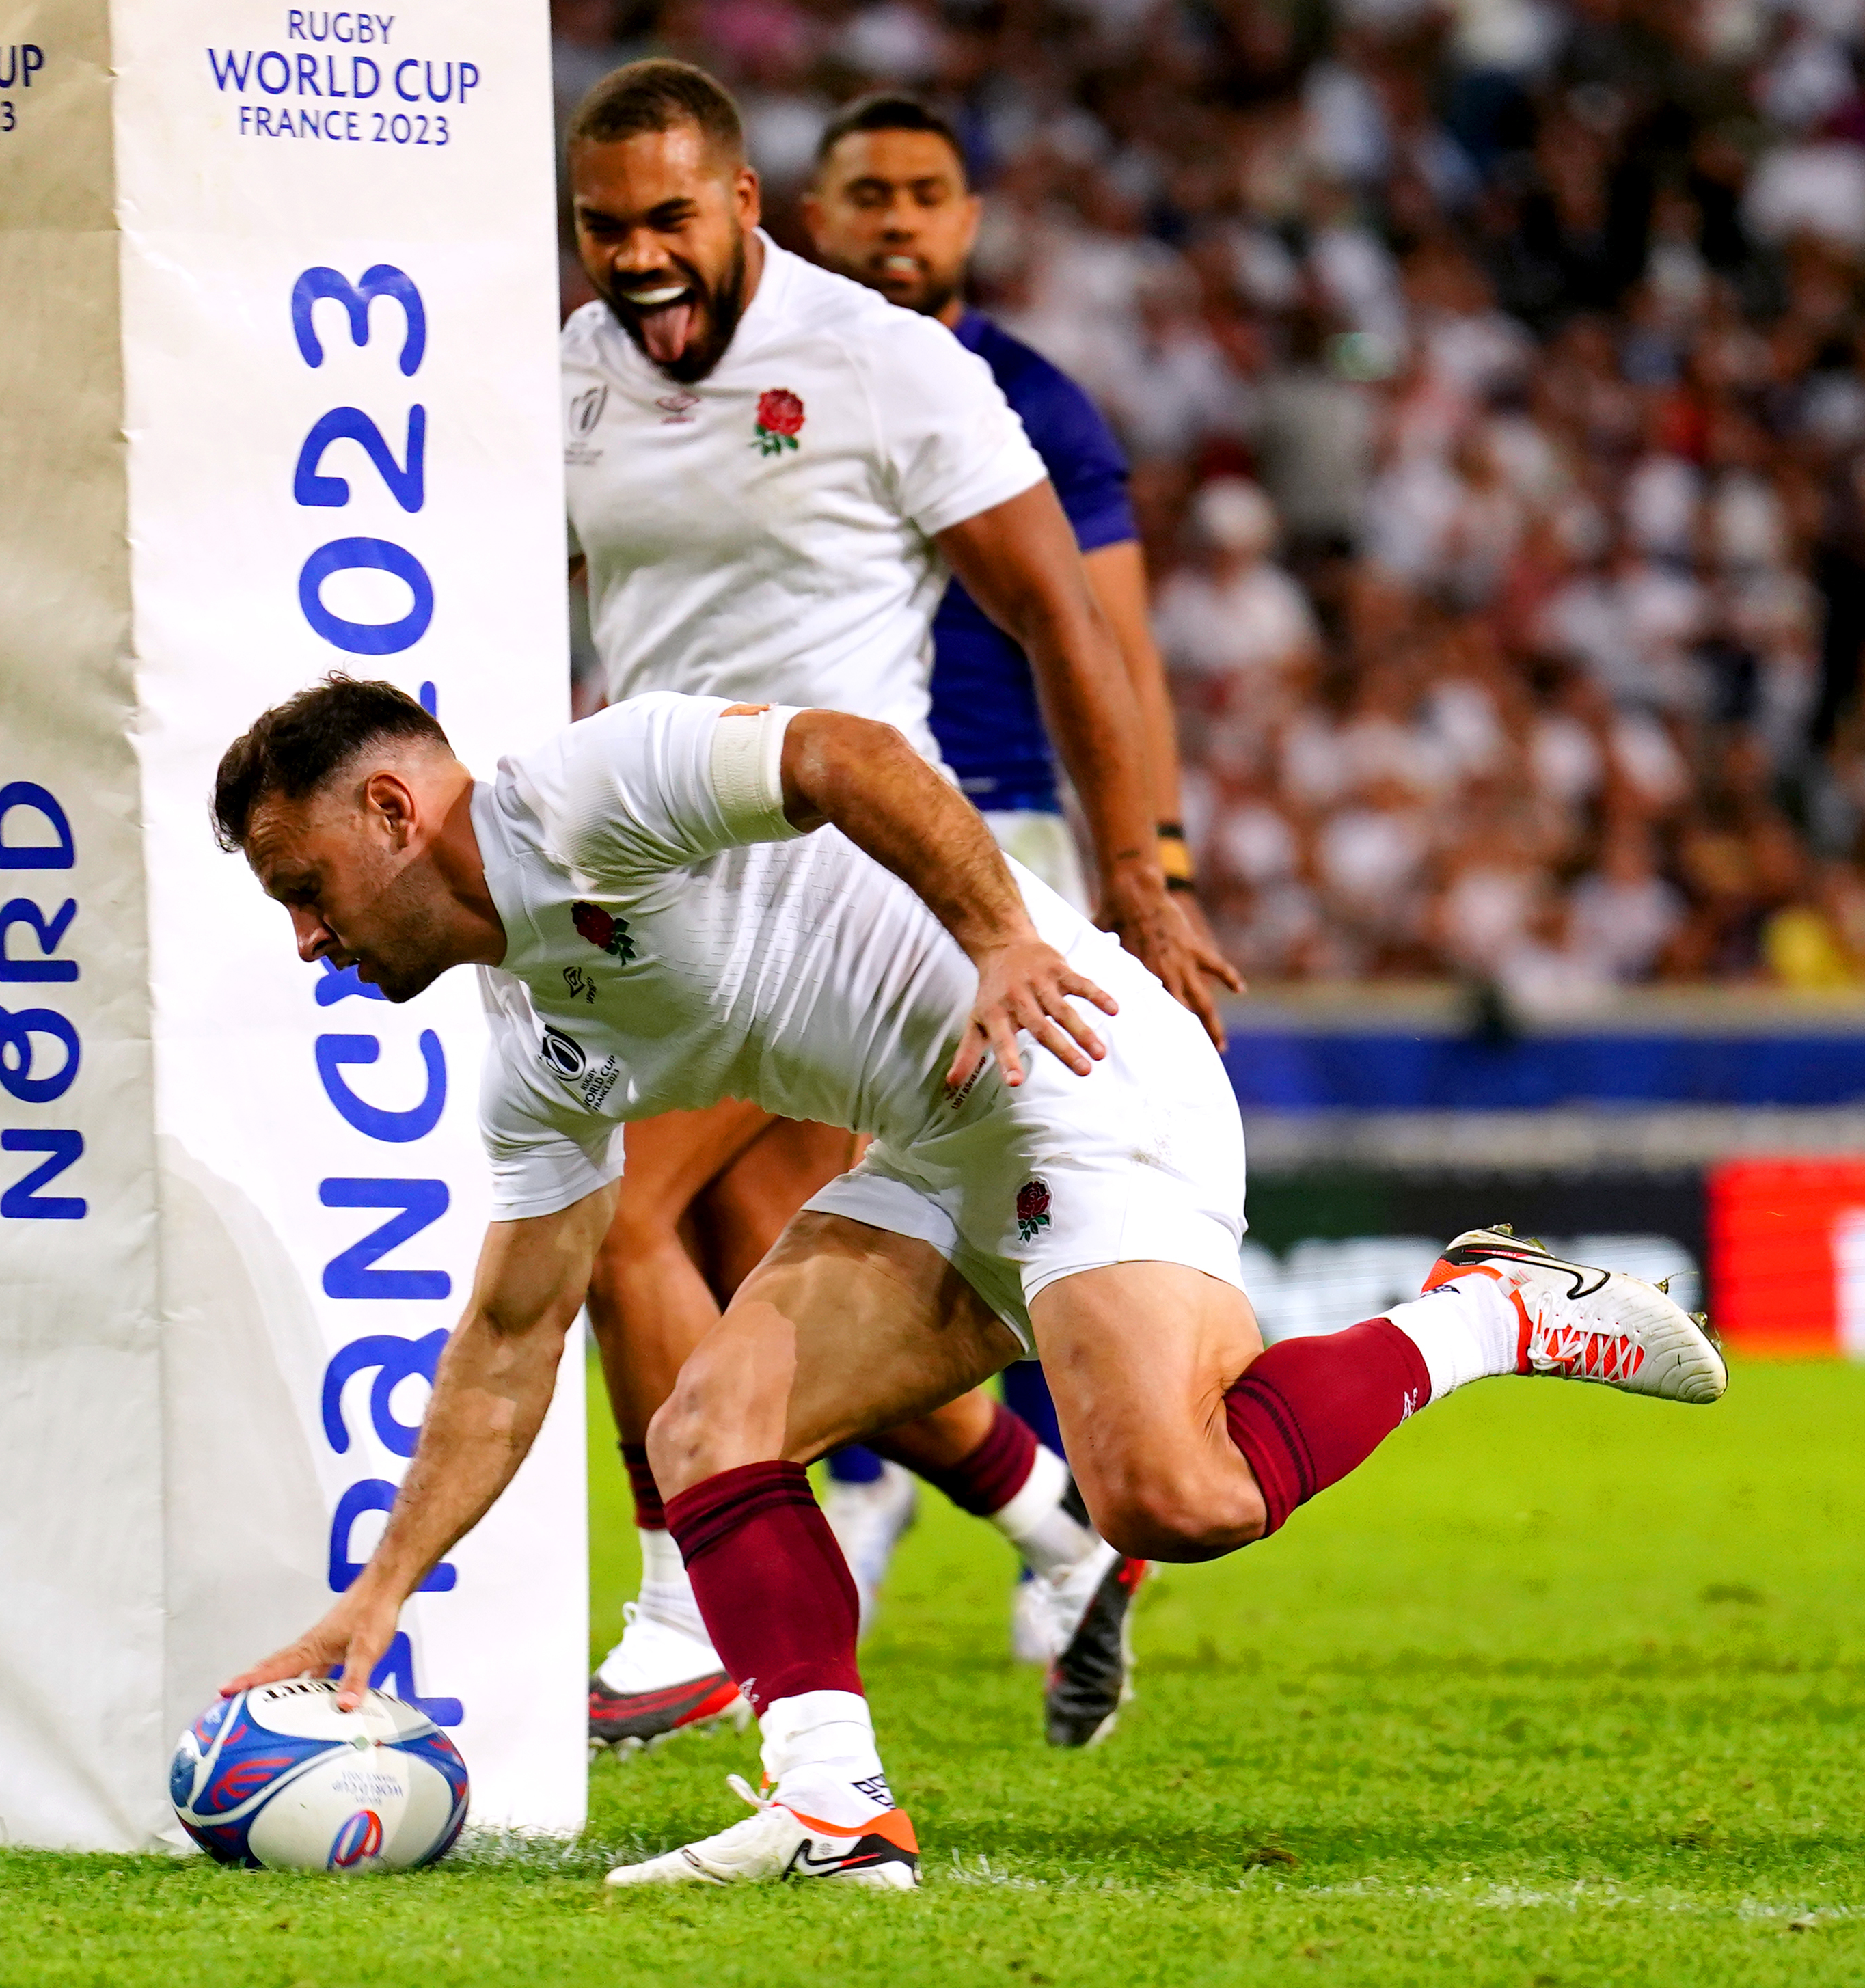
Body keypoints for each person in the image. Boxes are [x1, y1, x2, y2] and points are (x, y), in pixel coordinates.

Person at [213, 679, 1726, 1889]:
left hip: (1076, 1057)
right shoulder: (538, 1046)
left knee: (1172, 1501)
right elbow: (513, 1331)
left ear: (397, 809)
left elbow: (844, 751)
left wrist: (1002, 936)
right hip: (945, 1132)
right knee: (705, 1424)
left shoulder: (587, 791)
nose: (305, 937)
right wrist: (381, 1591)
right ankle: (835, 1807)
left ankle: (1483, 1307)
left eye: (307, 885)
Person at [560, 58, 1237, 1754]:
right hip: (670, 877)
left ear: (737, 205)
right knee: (775, 1276)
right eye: (602, 226)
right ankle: (1051, 1525)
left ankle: (675, 1613)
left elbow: (1085, 629)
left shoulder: (914, 376)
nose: (633, 253)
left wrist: (1144, 871)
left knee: (611, 1215)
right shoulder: (579, 376)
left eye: (664, 216)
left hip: (879, 885)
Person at [797, 91, 1229, 1663]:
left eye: (925, 194)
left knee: (1043, 1170)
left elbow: (1114, 649)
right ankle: (895, 1486)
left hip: (1007, 837)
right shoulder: (751, 372)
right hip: (813, 825)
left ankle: (1049, 1526)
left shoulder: (1038, 399)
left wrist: (1151, 863)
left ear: (968, 220)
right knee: (826, 1165)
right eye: (868, 195)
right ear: (812, 215)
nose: (898, 220)